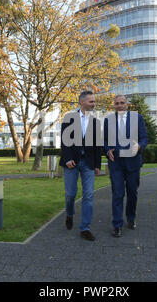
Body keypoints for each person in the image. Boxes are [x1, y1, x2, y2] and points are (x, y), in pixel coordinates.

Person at [59, 91, 101, 241]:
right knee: (70, 194)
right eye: (91, 101)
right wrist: (68, 158)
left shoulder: (96, 122)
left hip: (88, 163)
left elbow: (97, 145)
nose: (93, 104)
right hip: (71, 163)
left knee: (88, 195)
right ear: (82, 102)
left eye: (94, 101)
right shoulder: (69, 118)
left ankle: (85, 228)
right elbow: (64, 141)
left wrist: (97, 165)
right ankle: (69, 214)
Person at [104, 95, 148, 237]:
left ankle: (131, 218)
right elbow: (103, 140)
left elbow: (144, 138)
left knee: (132, 193)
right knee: (117, 193)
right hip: (115, 163)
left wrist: (139, 146)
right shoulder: (108, 120)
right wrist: (107, 150)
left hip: (133, 162)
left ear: (127, 104)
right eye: (117, 103)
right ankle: (117, 224)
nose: (120, 105)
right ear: (114, 106)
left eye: (122, 103)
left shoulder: (138, 118)